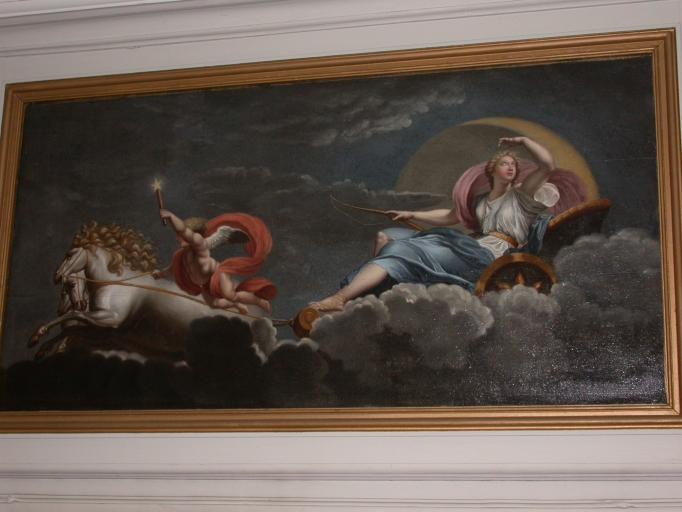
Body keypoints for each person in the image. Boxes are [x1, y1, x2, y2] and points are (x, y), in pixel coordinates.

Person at [310, 136, 558, 311]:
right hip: (467, 245)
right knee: (386, 237)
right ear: (492, 170)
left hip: (485, 255)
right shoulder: (481, 200)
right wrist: (410, 214)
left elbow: (548, 165)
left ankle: (341, 298)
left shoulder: (520, 195)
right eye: (505, 163)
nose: (511, 167)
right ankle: (376, 295)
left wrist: (523, 141)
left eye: (514, 164)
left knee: (401, 248)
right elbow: (451, 216)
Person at [153, 209, 277, 314]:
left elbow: (183, 230)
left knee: (230, 295)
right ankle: (235, 305)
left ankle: (258, 301)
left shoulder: (200, 246)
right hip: (204, 284)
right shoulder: (181, 255)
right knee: (214, 304)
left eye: (180, 237)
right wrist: (160, 274)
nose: (177, 239)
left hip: (218, 275)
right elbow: (173, 267)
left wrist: (171, 216)